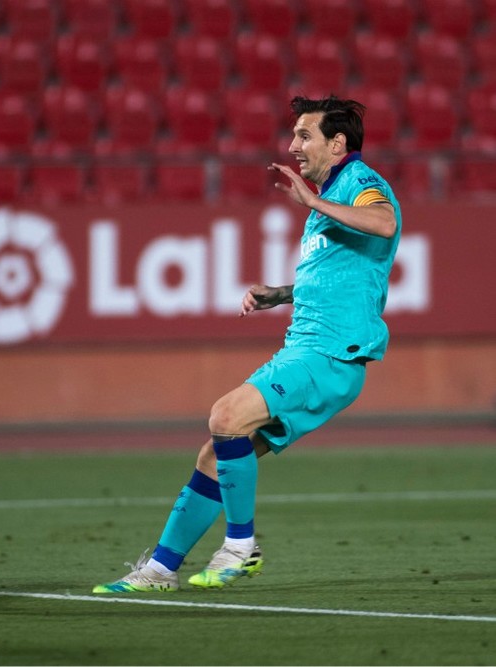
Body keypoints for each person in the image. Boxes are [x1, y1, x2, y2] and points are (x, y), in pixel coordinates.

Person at [93, 95, 401, 593]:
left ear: (337, 143)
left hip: (329, 354)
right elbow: (337, 278)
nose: (293, 145)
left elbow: (385, 221)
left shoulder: (361, 184)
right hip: (309, 348)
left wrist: (313, 201)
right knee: (215, 455)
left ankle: (241, 546)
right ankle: (160, 570)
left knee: (225, 417)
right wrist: (279, 293)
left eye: (305, 135)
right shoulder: (335, 194)